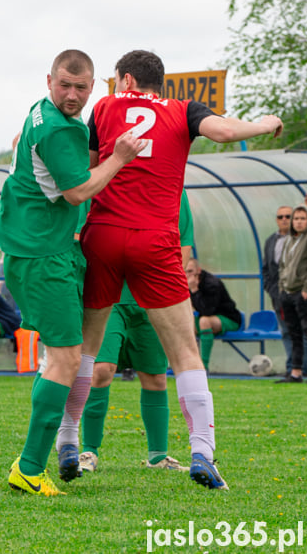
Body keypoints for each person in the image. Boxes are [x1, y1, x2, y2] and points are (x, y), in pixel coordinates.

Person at [79, 49, 283, 491]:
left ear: (127, 80)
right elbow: (226, 130)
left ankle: (68, 444)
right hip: (155, 241)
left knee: (86, 354)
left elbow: (88, 171)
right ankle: (202, 452)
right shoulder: (183, 110)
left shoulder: (104, 107)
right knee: (185, 355)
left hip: (105, 234)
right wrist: (266, 123)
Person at [0, 49, 146, 497]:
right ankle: (31, 467)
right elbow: (78, 192)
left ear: (93, 87)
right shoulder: (57, 129)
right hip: (42, 254)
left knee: (62, 357)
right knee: (65, 358)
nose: (72, 94)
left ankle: (41, 455)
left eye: (81, 87)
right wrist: (119, 157)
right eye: (65, 85)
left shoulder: (41, 112)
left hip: (34, 245)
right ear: (49, 81)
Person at [77, 192, 194, 475]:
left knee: (154, 377)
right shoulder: (101, 179)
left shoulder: (172, 185)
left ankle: (158, 456)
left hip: (152, 297)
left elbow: (184, 243)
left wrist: (165, 282)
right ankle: (88, 451)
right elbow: (80, 236)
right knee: (101, 369)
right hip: (109, 297)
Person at [263, 205, 307, 378]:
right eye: (280, 216)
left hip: (300, 293)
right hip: (279, 296)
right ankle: (293, 368)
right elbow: (267, 268)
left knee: (305, 331)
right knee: (287, 331)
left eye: (288, 216)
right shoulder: (270, 241)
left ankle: (306, 367)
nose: (284, 219)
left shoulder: (304, 240)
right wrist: (273, 290)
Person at [276, 205, 307, 383]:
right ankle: (296, 372)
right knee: (294, 333)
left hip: (303, 292)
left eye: (303, 218)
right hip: (287, 292)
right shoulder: (289, 240)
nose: (299, 222)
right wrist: (281, 287)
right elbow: (283, 265)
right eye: (296, 218)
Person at [185, 258, 242, 371]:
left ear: (198, 271)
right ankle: (187, 365)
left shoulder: (212, 284)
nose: (188, 275)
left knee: (204, 321)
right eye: (185, 272)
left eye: (190, 271)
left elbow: (207, 311)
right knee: (184, 324)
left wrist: (194, 290)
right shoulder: (185, 283)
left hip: (229, 318)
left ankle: (203, 366)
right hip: (206, 318)